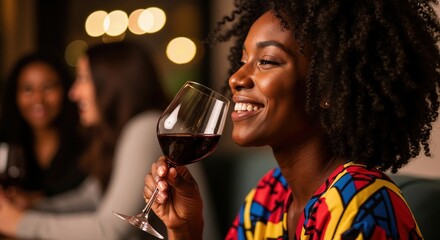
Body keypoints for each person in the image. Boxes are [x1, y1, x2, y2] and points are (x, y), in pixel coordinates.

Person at [143, 0, 440, 239]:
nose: (235, 78)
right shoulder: (269, 198)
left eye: (267, 61)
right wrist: (184, 229)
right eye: (243, 61)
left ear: (328, 87)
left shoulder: (364, 206)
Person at [0, 41, 219, 240]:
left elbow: (110, 230)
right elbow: (89, 197)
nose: (73, 93)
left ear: (112, 83)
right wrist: (33, 204)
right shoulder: (120, 132)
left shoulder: (144, 127)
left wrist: (19, 223)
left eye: (83, 79)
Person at [0, 53, 87, 206]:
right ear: (14, 95)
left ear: (67, 90)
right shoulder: (4, 139)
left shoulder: (87, 141)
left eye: (48, 87)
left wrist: (35, 201)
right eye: (27, 89)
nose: (38, 100)